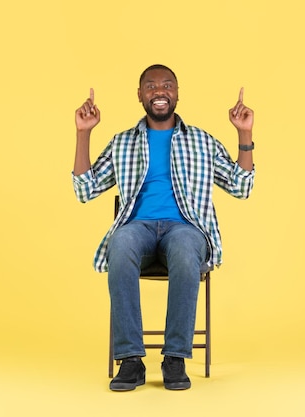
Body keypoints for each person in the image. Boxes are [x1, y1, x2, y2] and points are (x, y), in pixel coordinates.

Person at [72, 64, 255, 391]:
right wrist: (83, 133)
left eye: (167, 85)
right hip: (138, 228)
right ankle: (130, 361)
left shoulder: (201, 141)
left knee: (186, 249)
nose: (160, 91)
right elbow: (85, 189)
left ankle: (175, 358)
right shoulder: (123, 142)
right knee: (121, 242)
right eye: (152, 86)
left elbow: (241, 187)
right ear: (140, 95)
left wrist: (244, 134)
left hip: (185, 228)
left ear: (177, 94)